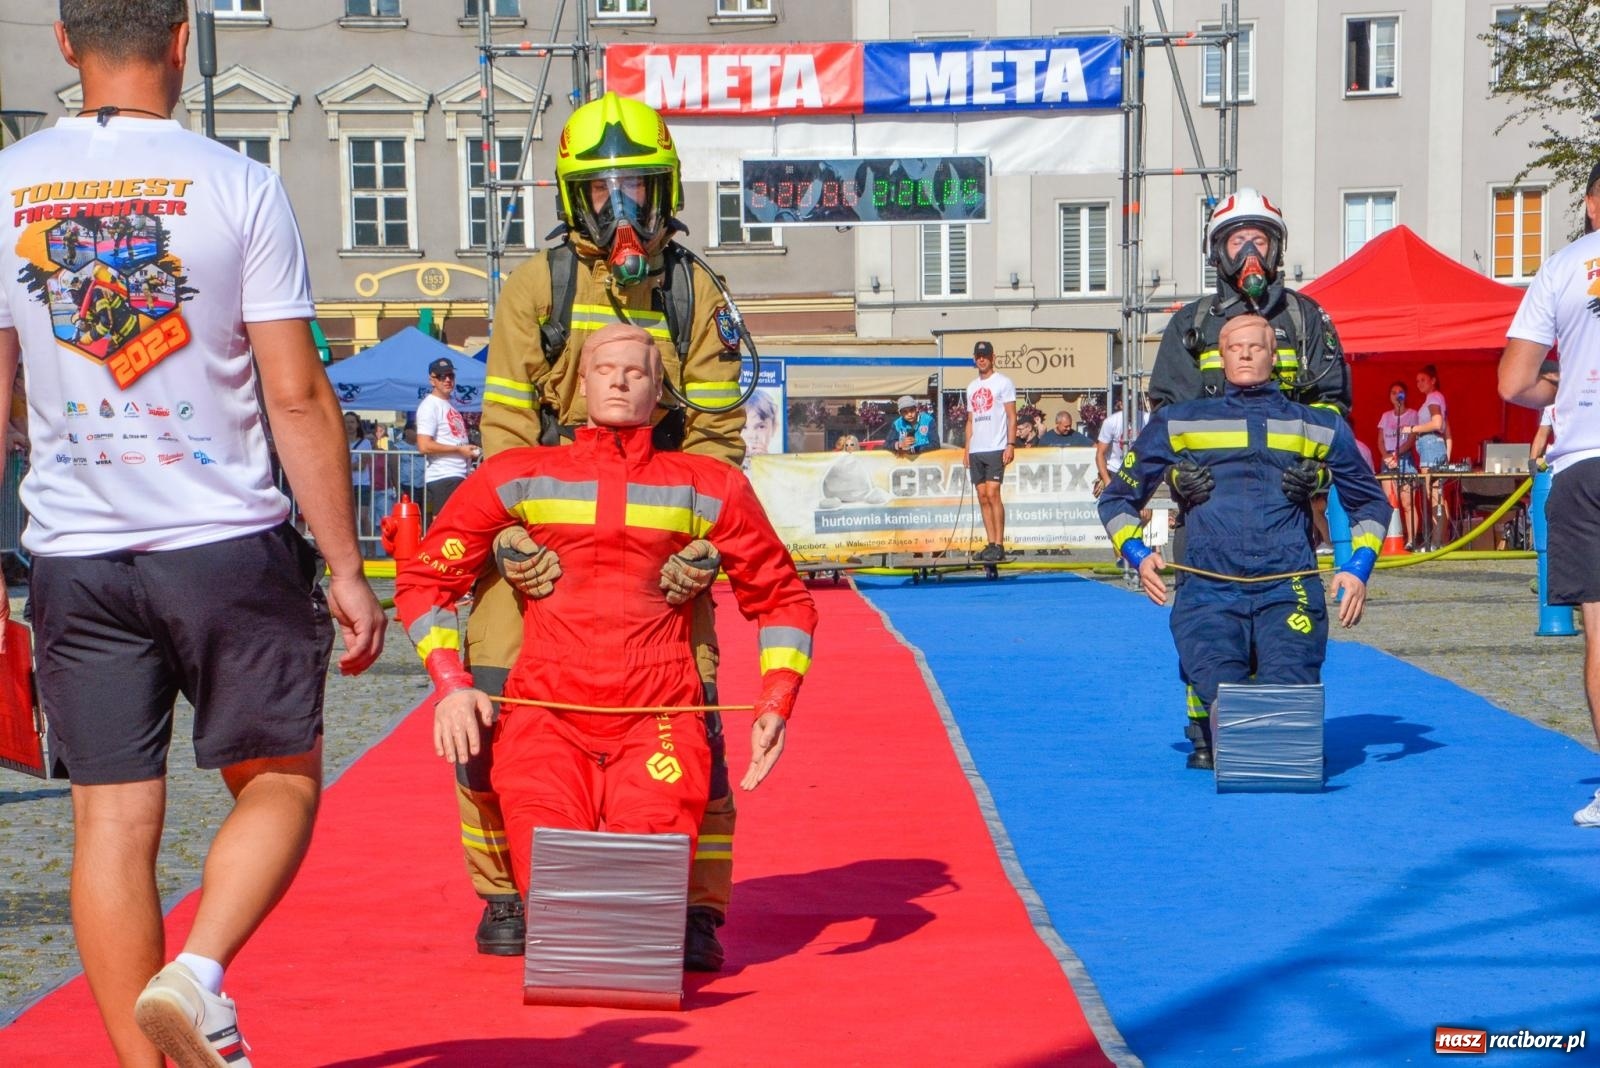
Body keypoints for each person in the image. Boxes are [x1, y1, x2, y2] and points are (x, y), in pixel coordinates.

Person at [0, 5, 388, 1065]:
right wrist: (347, 566)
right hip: (224, 541)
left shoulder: (9, 183)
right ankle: (199, 972)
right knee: (281, 780)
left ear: (64, 44)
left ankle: (142, 1061)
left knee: (109, 827)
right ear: (181, 42)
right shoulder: (237, 182)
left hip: (77, 555)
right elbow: (297, 391)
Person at [393, 324, 817, 913]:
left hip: (661, 713)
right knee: (551, 869)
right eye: (605, 369)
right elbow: (423, 581)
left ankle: (679, 931)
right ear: (581, 385)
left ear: (661, 392)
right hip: (545, 712)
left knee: (643, 881)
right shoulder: (514, 474)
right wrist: (451, 684)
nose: (619, 380)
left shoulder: (711, 485)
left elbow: (782, 598)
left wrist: (778, 698)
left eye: (637, 371)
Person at [469, 92, 749, 968]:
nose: (620, 208)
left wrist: (701, 544)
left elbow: (716, 433)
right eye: (601, 191)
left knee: (694, 717)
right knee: (490, 705)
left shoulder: (693, 288)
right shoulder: (535, 285)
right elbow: (506, 427)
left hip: (656, 538)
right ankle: (508, 892)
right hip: (541, 542)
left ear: (665, 189)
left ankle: (695, 910)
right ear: (571, 197)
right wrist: (510, 539)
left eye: (636, 188)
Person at [1099, 316, 1390, 770]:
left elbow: (1371, 503)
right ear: (1220, 356)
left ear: (1275, 358)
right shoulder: (1177, 421)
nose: (1247, 353)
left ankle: (1269, 738)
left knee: (1287, 694)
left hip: (1288, 584)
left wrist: (1358, 568)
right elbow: (1117, 498)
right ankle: (1223, 734)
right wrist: (1139, 554)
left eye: (1257, 346)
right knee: (1222, 686)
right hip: (1209, 588)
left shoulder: (1318, 425)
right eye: (1236, 346)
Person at [1499, 160, 1600, 826]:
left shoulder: (1563, 265)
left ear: (1593, 204)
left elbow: (1513, 381)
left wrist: (1561, 395)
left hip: (1586, 460)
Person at [964, 340, 1016, 562]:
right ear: (975, 359)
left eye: (985, 355)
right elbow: (970, 420)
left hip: (996, 446)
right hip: (977, 448)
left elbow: (1012, 415)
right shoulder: (971, 387)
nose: (982, 359)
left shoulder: (1003, 382)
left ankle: (1000, 544)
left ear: (992, 357)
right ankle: (990, 542)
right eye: (978, 356)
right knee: (982, 496)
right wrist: (967, 448)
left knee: (994, 493)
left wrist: (1011, 444)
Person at [415, 356, 478, 519]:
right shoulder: (429, 406)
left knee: (456, 527)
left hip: (457, 475)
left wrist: (466, 451)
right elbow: (424, 446)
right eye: (442, 376)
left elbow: (453, 438)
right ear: (432, 380)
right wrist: (459, 449)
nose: (448, 380)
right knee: (445, 528)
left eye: (451, 376)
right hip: (444, 476)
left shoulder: (450, 405)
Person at [1377, 381, 1420, 550]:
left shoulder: (1412, 414)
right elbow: (1380, 440)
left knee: (1407, 502)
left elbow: (1411, 439)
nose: (1396, 395)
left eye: (1400, 392)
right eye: (1393, 392)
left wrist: (1397, 453)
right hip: (1388, 459)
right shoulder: (1386, 416)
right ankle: (1391, 539)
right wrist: (1386, 456)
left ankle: (1412, 540)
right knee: (1390, 502)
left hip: (1405, 459)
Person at [741, 388, 779, 458]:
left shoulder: (777, 463)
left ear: (774, 428)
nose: (751, 436)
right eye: (743, 427)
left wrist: (765, 460)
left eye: (761, 427)